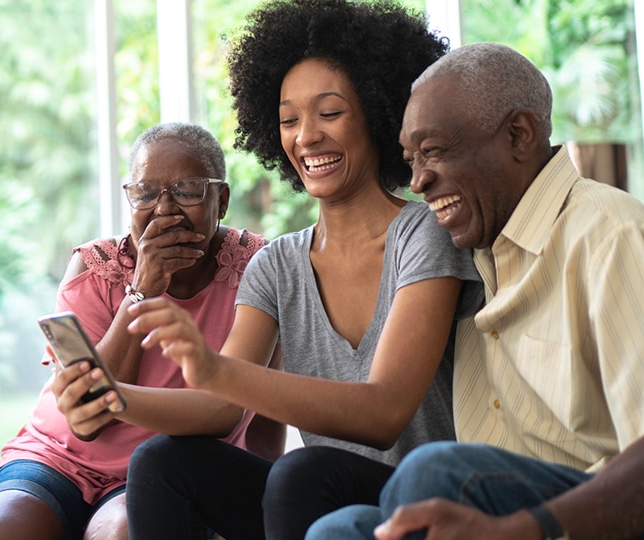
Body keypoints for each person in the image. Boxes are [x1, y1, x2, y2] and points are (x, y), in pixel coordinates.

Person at [305, 42, 644, 540]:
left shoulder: (607, 233)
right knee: (338, 530)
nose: (418, 180)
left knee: (438, 475)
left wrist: (526, 529)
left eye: (432, 151)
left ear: (519, 134)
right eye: (410, 159)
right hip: (549, 516)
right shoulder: (473, 257)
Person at [123, 1, 482, 539]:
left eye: (329, 113)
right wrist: (112, 396)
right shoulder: (276, 265)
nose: (306, 136)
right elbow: (221, 409)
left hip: (423, 495)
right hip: (316, 493)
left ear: (378, 116)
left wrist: (215, 367)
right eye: (289, 120)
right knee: (159, 465)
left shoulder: (423, 235)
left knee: (298, 471)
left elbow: (385, 413)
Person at [0, 122, 277, 540]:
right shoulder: (94, 267)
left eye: (187, 190)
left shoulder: (255, 268)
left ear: (220, 200)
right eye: (146, 194)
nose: (165, 210)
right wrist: (142, 291)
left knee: (116, 533)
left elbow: (257, 410)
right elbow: (87, 422)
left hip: (163, 469)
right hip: (58, 455)